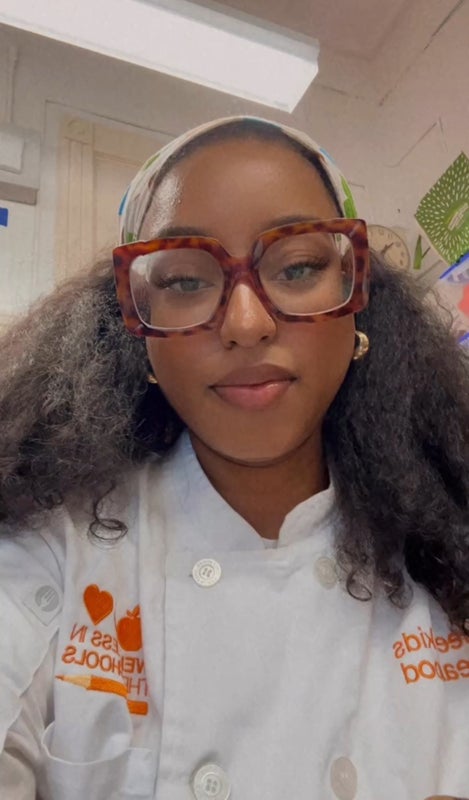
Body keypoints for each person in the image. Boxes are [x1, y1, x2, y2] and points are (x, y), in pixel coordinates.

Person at [0, 115, 468, 800]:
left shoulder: (450, 551)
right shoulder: (50, 547)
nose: (247, 323)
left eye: (299, 267)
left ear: (356, 298)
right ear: (139, 331)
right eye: (186, 282)